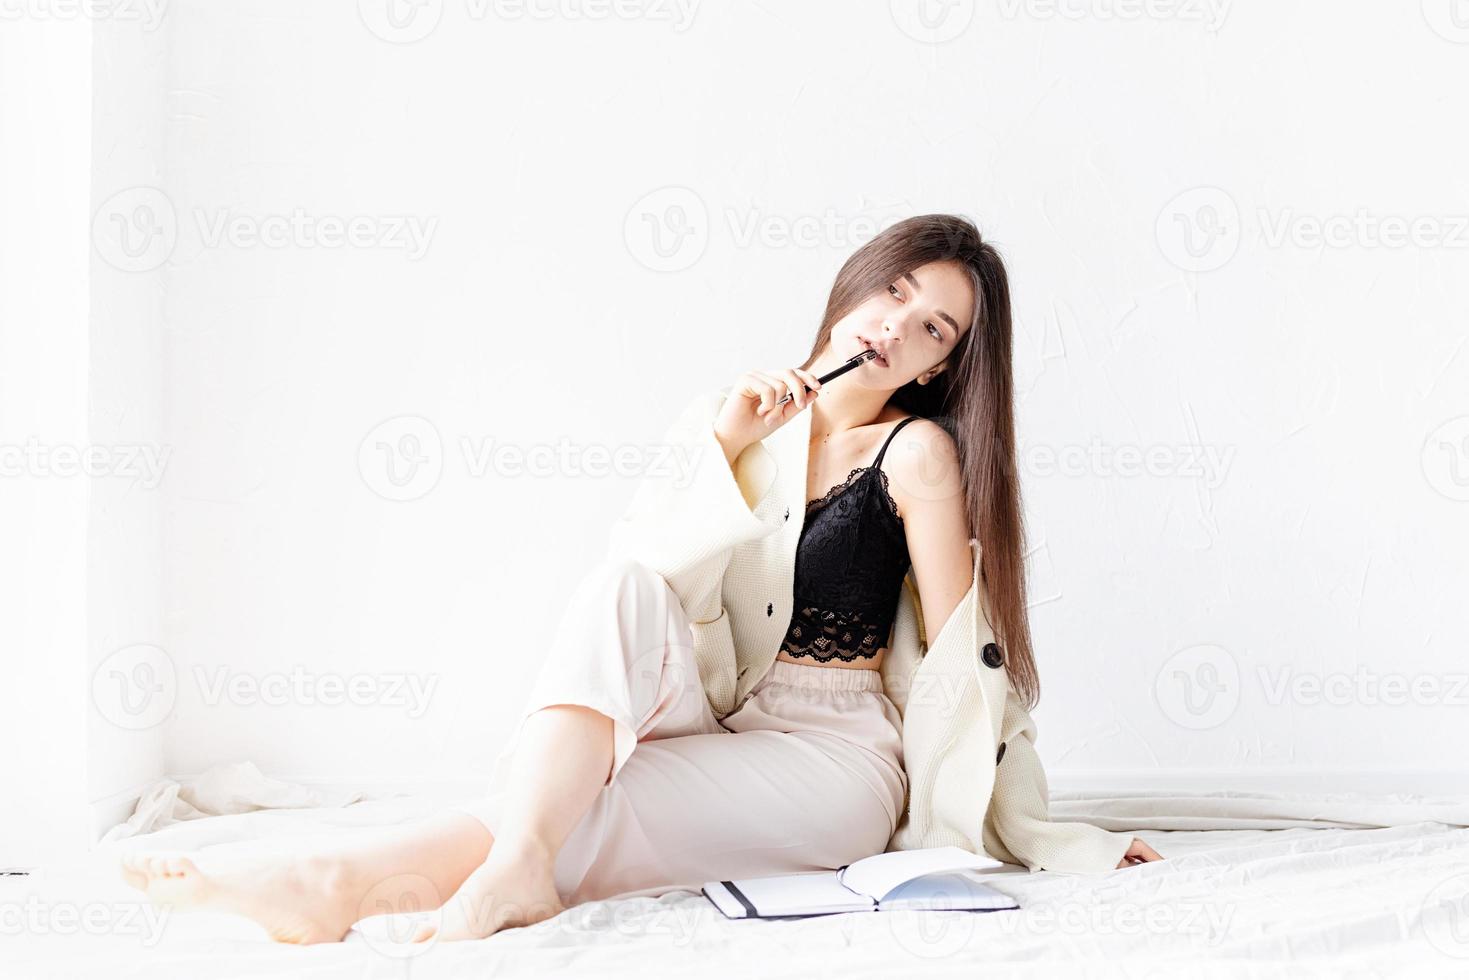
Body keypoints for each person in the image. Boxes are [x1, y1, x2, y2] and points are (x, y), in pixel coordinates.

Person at [118, 213, 1162, 946]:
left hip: (832, 755)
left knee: (594, 799)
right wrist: (723, 444)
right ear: (853, 288)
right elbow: (648, 576)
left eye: (931, 325)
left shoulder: (917, 456)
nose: (896, 324)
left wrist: (1036, 824)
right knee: (615, 590)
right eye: (892, 290)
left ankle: (338, 879)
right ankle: (503, 862)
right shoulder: (738, 410)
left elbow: (956, 667)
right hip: (708, 707)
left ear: (937, 366)